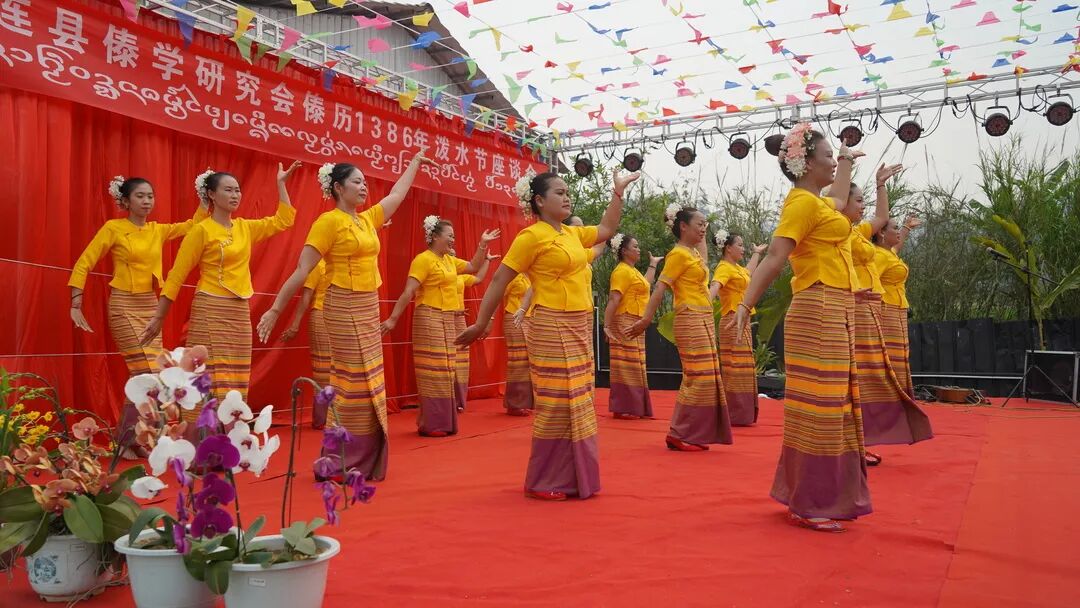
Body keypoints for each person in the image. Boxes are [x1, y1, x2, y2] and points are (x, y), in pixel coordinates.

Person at [457, 168, 639, 501]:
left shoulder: (572, 235)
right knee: (557, 399)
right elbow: (499, 280)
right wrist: (482, 322)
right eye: (559, 192)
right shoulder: (531, 236)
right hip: (549, 324)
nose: (567, 196)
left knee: (580, 397)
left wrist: (618, 192)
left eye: (568, 191)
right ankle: (546, 478)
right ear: (539, 201)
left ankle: (575, 475)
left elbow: (607, 229)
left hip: (578, 324)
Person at [255, 152, 433, 480]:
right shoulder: (328, 222)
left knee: (369, 381)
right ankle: (338, 459)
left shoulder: (365, 219)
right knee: (351, 379)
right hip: (341, 305)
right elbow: (302, 269)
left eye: (365, 182)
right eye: (357, 182)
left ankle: (361, 458)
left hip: (367, 305)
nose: (364, 187)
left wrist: (415, 164)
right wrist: (276, 308)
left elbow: (397, 195)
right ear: (338, 188)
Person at [730, 122, 869, 532]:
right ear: (806, 163)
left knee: (833, 404)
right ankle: (812, 502)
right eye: (826, 157)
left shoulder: (821, 204)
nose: (832, 164)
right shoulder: (800, 205)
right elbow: (775, 258)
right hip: (818, 308)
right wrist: (745, 303)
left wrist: (843, 158)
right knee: (820, 408)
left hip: (834, 305)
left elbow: (841, 198)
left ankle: (815, 496)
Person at [141, 162, 301, 425]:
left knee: (236, 375)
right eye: (228, 190)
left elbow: (284, 220)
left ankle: (229, 438)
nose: (235, 195)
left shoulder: (244, 228)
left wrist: (281, 185)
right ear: (212, 195)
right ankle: (200, 437)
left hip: (238, 312)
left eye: (237, 190)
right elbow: (177, 276)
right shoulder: (201, 231)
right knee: (209, 376)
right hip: (210, 309)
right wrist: (159, 316)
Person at [69, 176, 208, 457]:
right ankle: (130, 437)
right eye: (140, 196)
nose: (146, 202)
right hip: (122, 305)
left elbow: (192, 226)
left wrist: (205, 201)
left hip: (149, 307)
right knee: (148, 373)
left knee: (145, 375)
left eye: (150, 196)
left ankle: (128, 437)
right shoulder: (114, 228)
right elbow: (85, 261)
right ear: (126, 201)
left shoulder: (157, 230)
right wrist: (75, 300)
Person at [839, 171, 934, 464]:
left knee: (868, 376)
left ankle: (859, 440)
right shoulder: (837, 230)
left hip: (870, 308)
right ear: (841, 202)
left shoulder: (857, 233)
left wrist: (881, 185)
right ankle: (848, 443)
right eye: (858, 200)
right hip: (855, 305)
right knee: (859, 376)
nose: (863, 206)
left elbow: (882, 215)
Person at [381, 219, 500, 437]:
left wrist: (482, 245)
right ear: (435, 237)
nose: (453, 239)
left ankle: (443, 420)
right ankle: (432, 423)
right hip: (429, 317)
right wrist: (392, 319)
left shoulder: (449, 261)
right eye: (450, 235)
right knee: (433, 371)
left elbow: (473, 267)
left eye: (454, 235)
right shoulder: (423, 260)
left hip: (448, 319)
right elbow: (408, 292)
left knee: (447, 370)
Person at [629, 207, 732, 451]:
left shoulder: (694, 255)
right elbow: (660, 289)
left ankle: (690, 432)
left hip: (704, 317)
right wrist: (646, 320)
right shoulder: (677, 255)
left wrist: (704, 232)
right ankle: (679, 433)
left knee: (706, 376)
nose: (704, 227)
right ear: (683, 226)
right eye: (699, 223)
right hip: (689, 318)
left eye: (706, 224)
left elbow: (705, 258)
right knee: (698, 376)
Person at [709, 232, 765, 426]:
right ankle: (732, 414)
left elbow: (748, 273)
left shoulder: (737, 268)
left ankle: (742, 414)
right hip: (732, 321)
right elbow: (715, 285)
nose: (742, 248)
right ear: (728, 248)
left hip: (743, 320)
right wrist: (705, 304)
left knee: (743, 367)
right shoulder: (723, 268)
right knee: (735, 367)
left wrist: (757, 253)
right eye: (739, 245)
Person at [603, 233, 661, 420]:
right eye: (635, 246)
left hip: (635, 320)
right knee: (626, 365)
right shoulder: (621, 271)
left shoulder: (632, 271)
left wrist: (653, 263)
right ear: (624, 251)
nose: (638, 249)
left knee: (635, 364)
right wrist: (606, 325)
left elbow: (646, 284)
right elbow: (614, 298)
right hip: (624, 320)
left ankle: (633, 406)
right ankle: (624, 407)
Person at [278, 259, 333, 429]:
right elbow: (306, 297)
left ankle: (336, 417)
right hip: (321, 316)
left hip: (340, 317)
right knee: (323, 372)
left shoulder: (342, 261)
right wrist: (295, 325)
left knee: (339, 371)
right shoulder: (318, 264)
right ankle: (321, 419)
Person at [874, 214, 923, 398]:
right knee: (889, 357)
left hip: (898, 309)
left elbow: (896, 246)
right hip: (886, 310)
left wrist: (907, 228)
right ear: (881, 233)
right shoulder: (878, 255)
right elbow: (870, 280)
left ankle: (897, 397)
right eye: (895, 228)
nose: (898, 232)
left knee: (899, 355)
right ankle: (887, 397)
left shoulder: (888, 252)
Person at [450, 247, 499, 414]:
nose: (453, 259)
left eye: (455, 257)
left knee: (461, 361)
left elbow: (478, 279)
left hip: (459, 320)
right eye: (450, 256)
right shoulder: (439, 276)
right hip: (442, 317)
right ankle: (444, 399)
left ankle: (459, 400)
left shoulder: (460, 278)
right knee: (445, 359)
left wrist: (487, 261)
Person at [501, 273, 533, 416]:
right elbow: (498, 294)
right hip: (514, 318)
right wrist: (489, 318)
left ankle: (525, 402)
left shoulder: (533, 276)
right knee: (518, 361)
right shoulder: (513, 276)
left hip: (530, 319)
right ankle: (514, 404)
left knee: (528, 362)